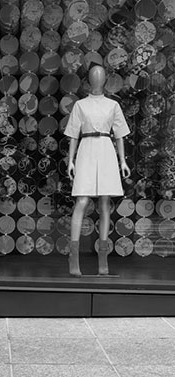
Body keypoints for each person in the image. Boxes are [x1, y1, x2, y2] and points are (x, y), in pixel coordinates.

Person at [65, 66, 131, 277]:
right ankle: (73, 257)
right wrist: (71, 160)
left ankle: (103, 258)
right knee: (82, 200)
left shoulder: (113, 105)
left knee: (104, 202)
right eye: (95, 76)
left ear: (104, 80)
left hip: (105, 148)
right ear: (90, 80)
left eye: (100, 76)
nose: (97, 79)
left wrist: (123, 161)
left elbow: (119, 134)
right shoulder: (80, 105)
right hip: (86, 148)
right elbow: (74, 134)